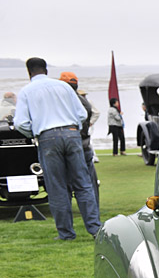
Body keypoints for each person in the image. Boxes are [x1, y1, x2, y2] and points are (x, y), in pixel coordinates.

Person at [13, 57, 101, 241]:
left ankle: (66, 233)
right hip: (71, 133)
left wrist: (36, 132)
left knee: (57, 187)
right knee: (83, 184)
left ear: (29, 72)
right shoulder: (64, 87)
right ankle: (95, 229)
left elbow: (20, 123)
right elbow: (82, 114)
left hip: (47, 137)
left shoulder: (26, 91)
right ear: (46, 69)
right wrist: (73, 128)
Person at [59, 71, 99, 209]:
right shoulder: (82, 100)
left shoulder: (69, 100)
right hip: (84, 142)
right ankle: (93, 208)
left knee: (69, 180)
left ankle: (70, 209)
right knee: (89, 180)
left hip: (76, 142)